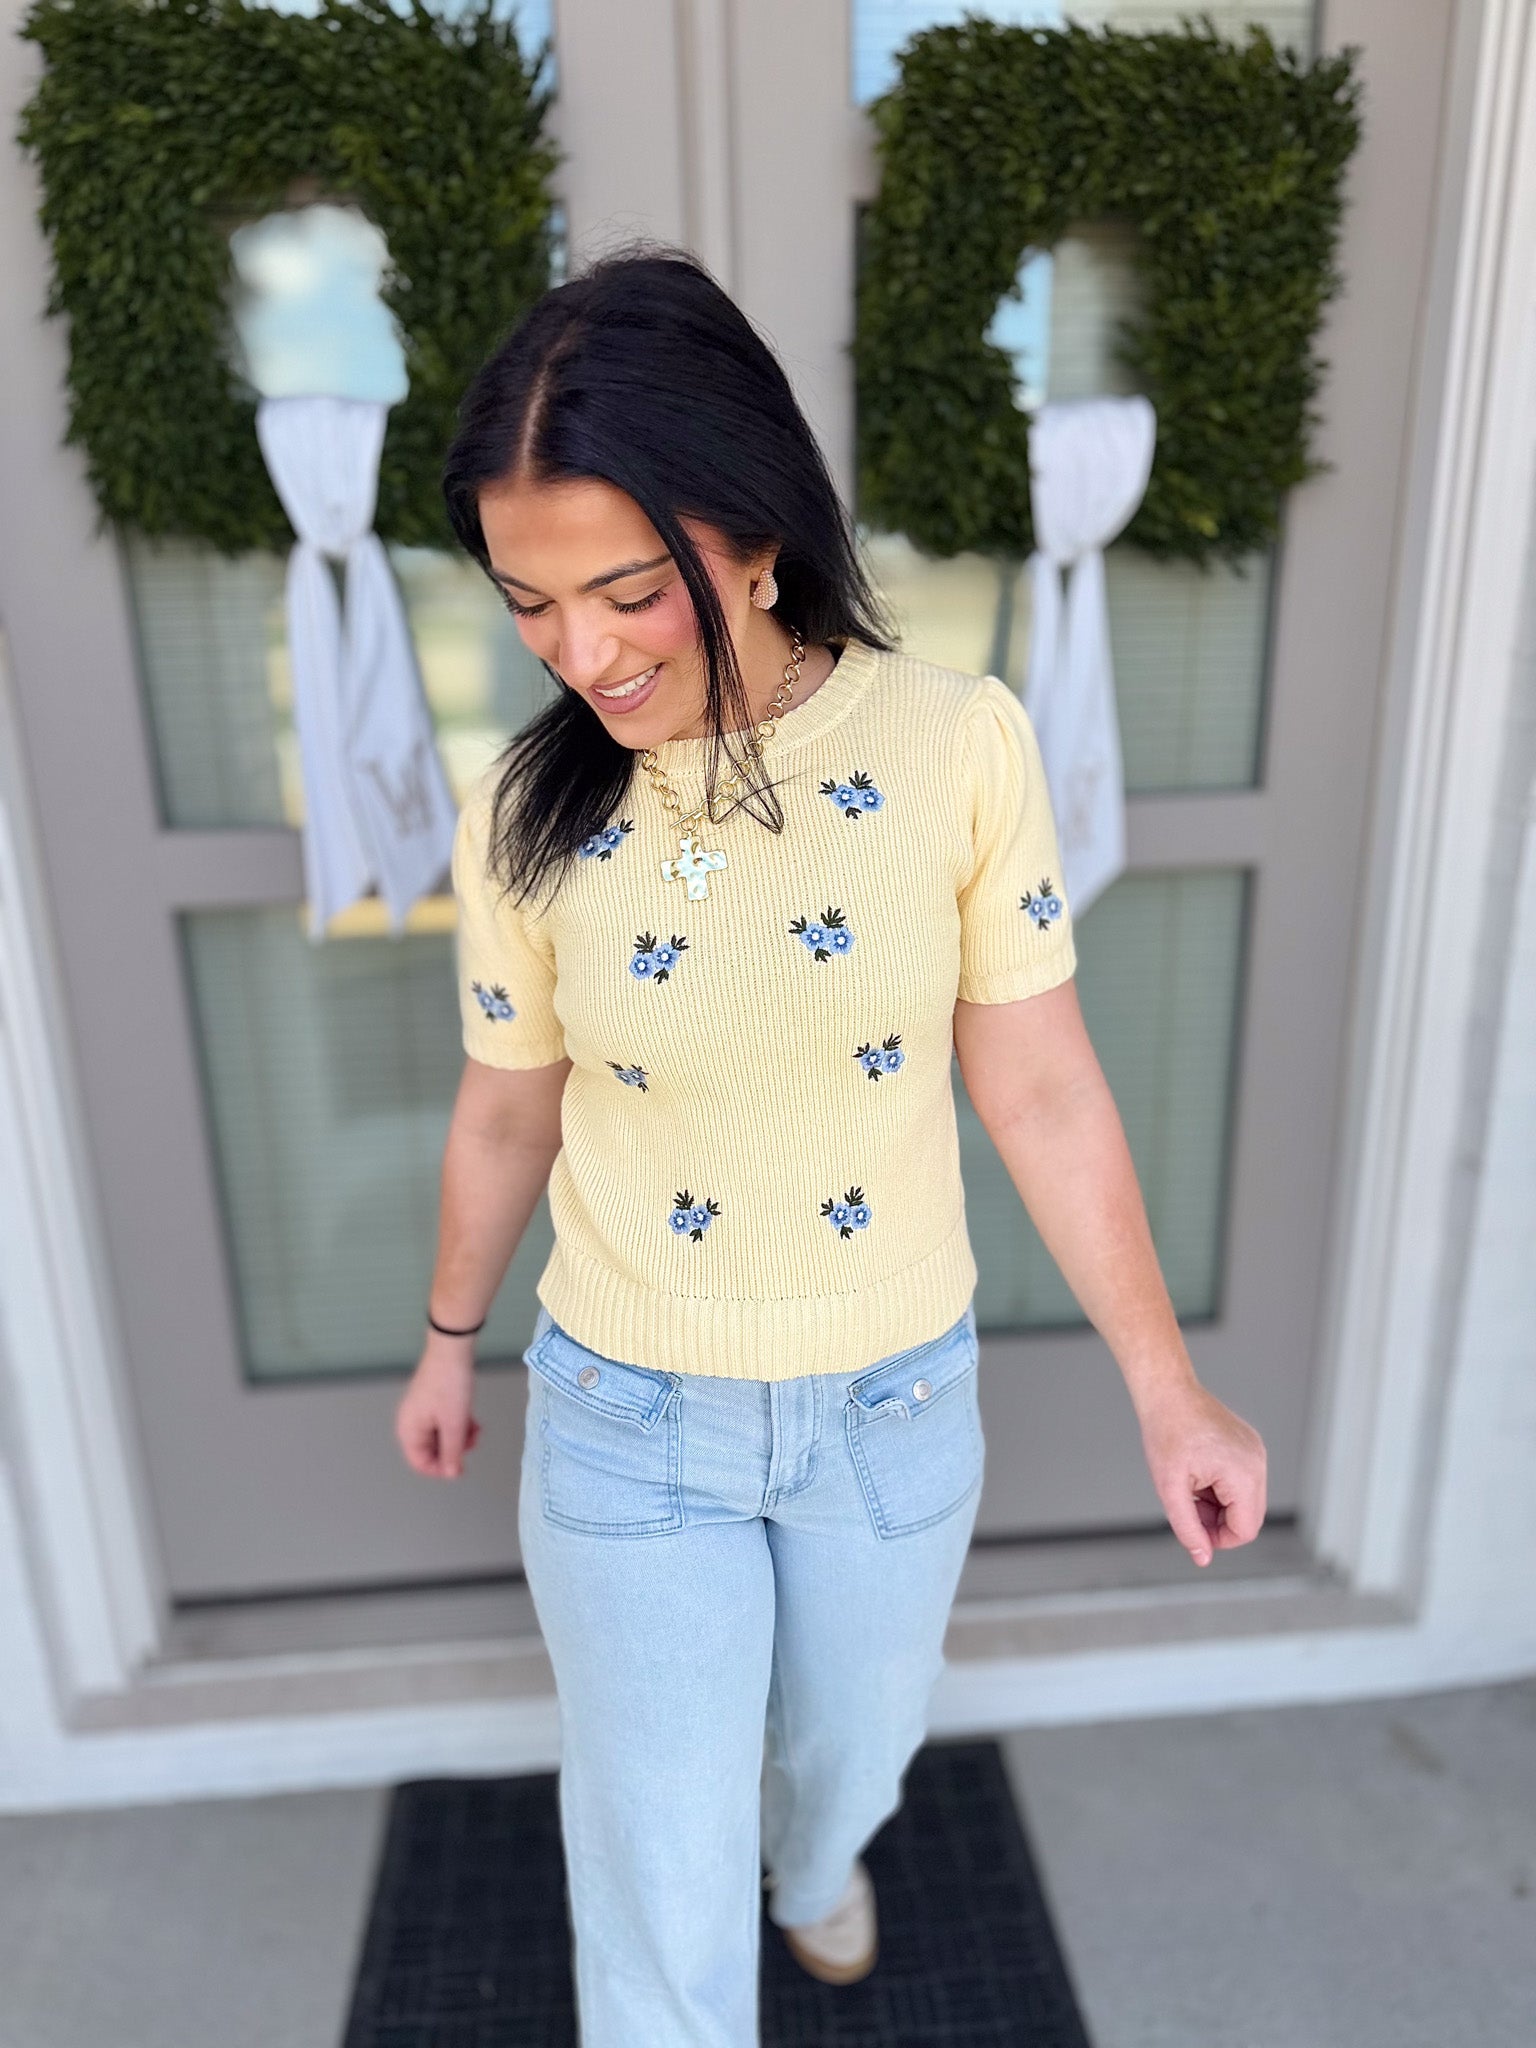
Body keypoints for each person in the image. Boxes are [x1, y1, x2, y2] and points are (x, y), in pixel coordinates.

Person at [394, 242, 1267, 2046]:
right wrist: (448, 1338)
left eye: (628, 592)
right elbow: (508, 1101)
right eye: (530, 604)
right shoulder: (526, 810)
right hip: (629, 1411)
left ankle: (820, 1862)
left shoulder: (955, 748)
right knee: (652, 1854)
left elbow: (1038, 1087)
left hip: (889, 1405)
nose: (580, 655)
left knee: (850, 1750)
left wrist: (1169, 1389)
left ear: (755, 530)